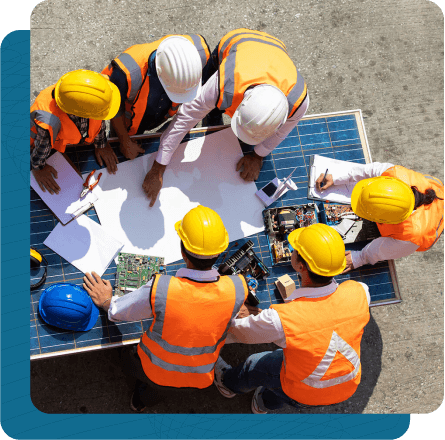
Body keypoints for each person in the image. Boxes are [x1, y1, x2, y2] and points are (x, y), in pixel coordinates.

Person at [82, 205, 249, 412]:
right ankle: (141, 402)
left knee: (131, 362)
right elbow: (239, 315)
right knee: (162, 391)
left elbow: (118, 312)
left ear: (182, 251)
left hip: (154, 369)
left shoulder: (162, 288)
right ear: (220, 252)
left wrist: (107, 301)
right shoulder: (237, 288)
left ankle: (139, 399)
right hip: (201, 376)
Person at [213, 223, 371, 413]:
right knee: (283, 392)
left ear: (301, 266)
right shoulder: (360, 291)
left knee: (256, 365)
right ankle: (263, 404)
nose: (291, 252)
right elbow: (324, 319)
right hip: (347, 386)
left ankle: (227, 384)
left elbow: (240, 334)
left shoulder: (283, 320)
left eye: (294, 250)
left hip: (304, 389)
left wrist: (232, 317)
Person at [143, 28, 310, 207]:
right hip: (239, 41)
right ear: (241, 104)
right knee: (211, 105)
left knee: (216, 107)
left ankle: (213, 127)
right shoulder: (225, 83)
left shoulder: (298, 102)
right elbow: (187, 116)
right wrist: (158, 168)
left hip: (276, 53)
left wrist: (257, 156)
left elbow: (279, 134)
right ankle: (212, 119)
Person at [101, 34, 210, 182]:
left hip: (161, 115)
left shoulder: (200, 56)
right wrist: (124, 141)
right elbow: (114, 108)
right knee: (123, 156)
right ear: (159, 74)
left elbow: (196, 105)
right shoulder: (126, 73)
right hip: (127, 122)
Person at [315, 163, 444, 272]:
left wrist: (359, 258)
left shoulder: (412, 236)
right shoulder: (396, 174)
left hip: (430, 224)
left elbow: (381, 250)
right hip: (435, 188)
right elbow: (368, 170)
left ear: (384, 220)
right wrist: (337, 177)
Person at [31, 69, 121, 194]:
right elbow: (41, 146)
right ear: (82, 113)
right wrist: (38, 167)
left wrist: (101, 144)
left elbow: (97, 119)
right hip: (36, 145)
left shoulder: (95, 91)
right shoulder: (48, 123)